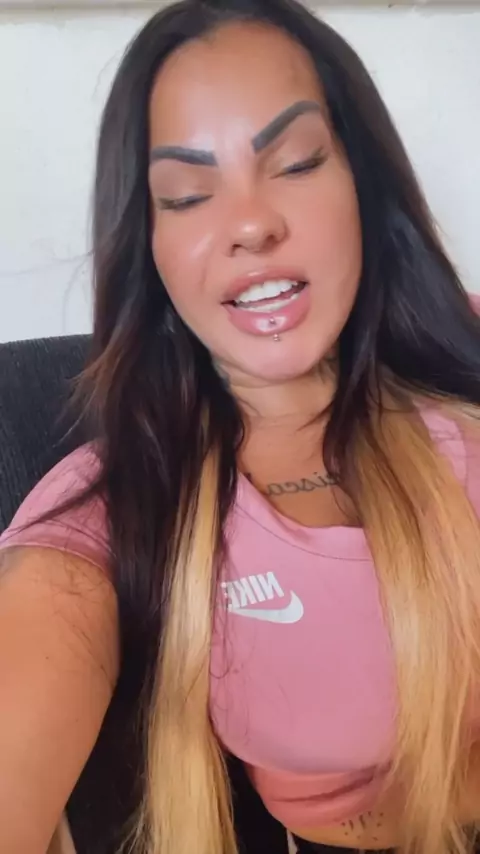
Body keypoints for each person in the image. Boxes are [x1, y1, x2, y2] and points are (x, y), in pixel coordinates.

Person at [1, 1, 480, 853]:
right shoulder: (119, 507)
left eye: (296, 162)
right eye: (187, 196)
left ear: (363, 183)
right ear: (147, 245)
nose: (252, 225)